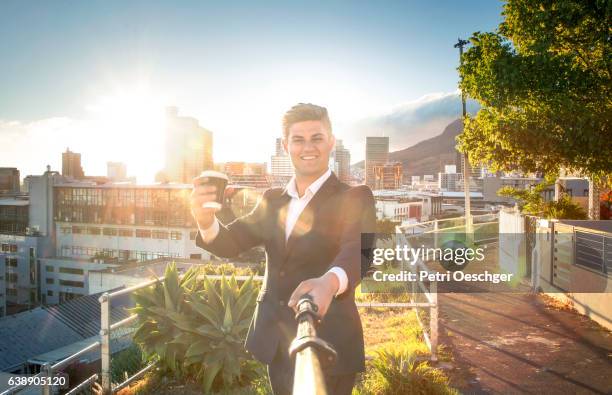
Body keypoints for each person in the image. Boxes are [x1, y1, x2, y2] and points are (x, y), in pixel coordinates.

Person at [190, 103, 375, 395]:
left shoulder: (356, 196)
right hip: (277, 342)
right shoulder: (273, 200)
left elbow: (360, 252)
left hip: (331, 343)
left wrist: (329, 283)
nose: (308, 147)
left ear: (331, 142)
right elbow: (230, 242)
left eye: (317, 137)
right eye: (298, 139)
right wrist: (204, 220)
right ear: (286, 145)